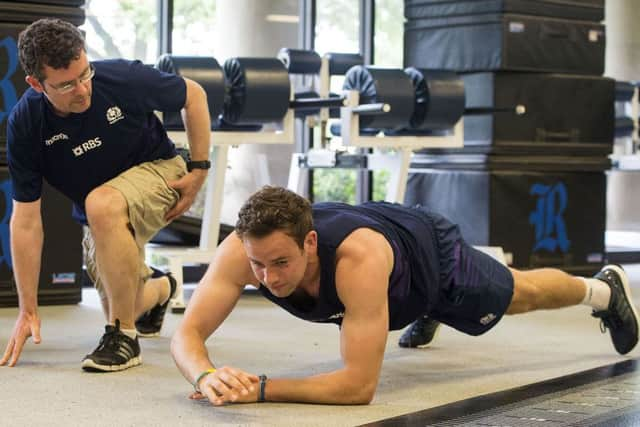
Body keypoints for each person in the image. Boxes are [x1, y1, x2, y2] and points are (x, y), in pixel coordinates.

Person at [171, 186, 639, 405]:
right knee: (372, 309)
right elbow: (186, 334)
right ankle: (417, 312)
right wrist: (205, 375)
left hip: (428, 255)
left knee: (521, 293)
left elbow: (358, 387)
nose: (267, 278)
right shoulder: (243, 251)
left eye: (281, 263)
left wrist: (262, 388)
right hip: (388, 281)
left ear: (309, 243)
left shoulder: (358, 262)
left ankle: (602, 290)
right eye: (258, 264)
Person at [0, 18, 212, 372]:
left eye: (85, 75)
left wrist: (199, 169)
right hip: (102, 213)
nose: (83, 90)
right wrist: (28, 309)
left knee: (100, 203)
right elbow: (25, 221)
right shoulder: (26, 125)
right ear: (36, 84)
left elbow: (195, 95)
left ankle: (124, 338)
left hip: (159, 172)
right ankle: (161, 289)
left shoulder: (122, 78)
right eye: (66, 84)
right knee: (122, 298)